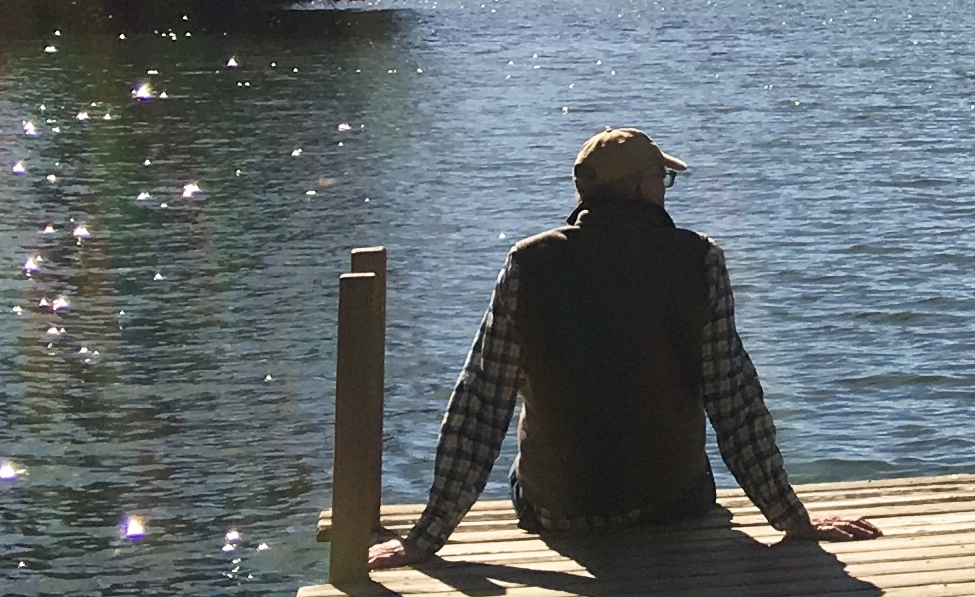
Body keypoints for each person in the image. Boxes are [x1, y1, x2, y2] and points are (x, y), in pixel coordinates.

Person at [370, 125, 877, 566]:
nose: (665, 188)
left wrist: (425, 539)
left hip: (555, 513)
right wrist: (793, 519)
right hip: (672, 503)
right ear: (638, 188)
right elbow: (734, 401)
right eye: (663, 178)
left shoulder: (528, 263)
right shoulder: (699, 260)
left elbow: (480, 403)